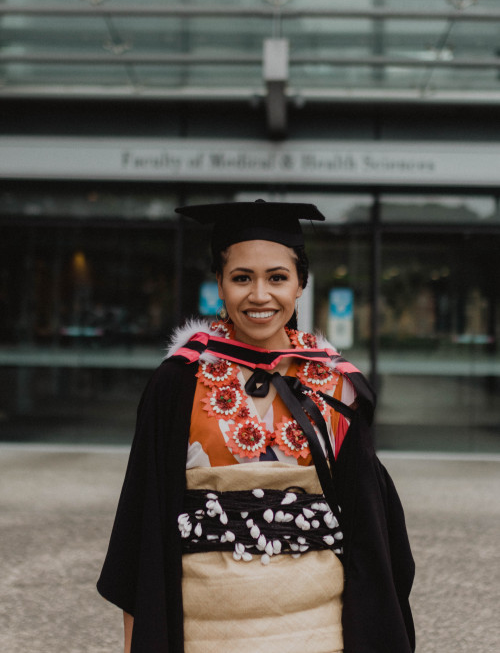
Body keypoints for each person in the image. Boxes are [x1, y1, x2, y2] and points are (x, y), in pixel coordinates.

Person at [97, 200, 415, 653]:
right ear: (221, 287)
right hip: (207, 632)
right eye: (242, 277)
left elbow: (371, 533)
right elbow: (140, 526)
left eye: (277, 277)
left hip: (315, 632)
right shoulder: (179, 383)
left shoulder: (339, 389)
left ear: (301, 284)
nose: (260, 295)